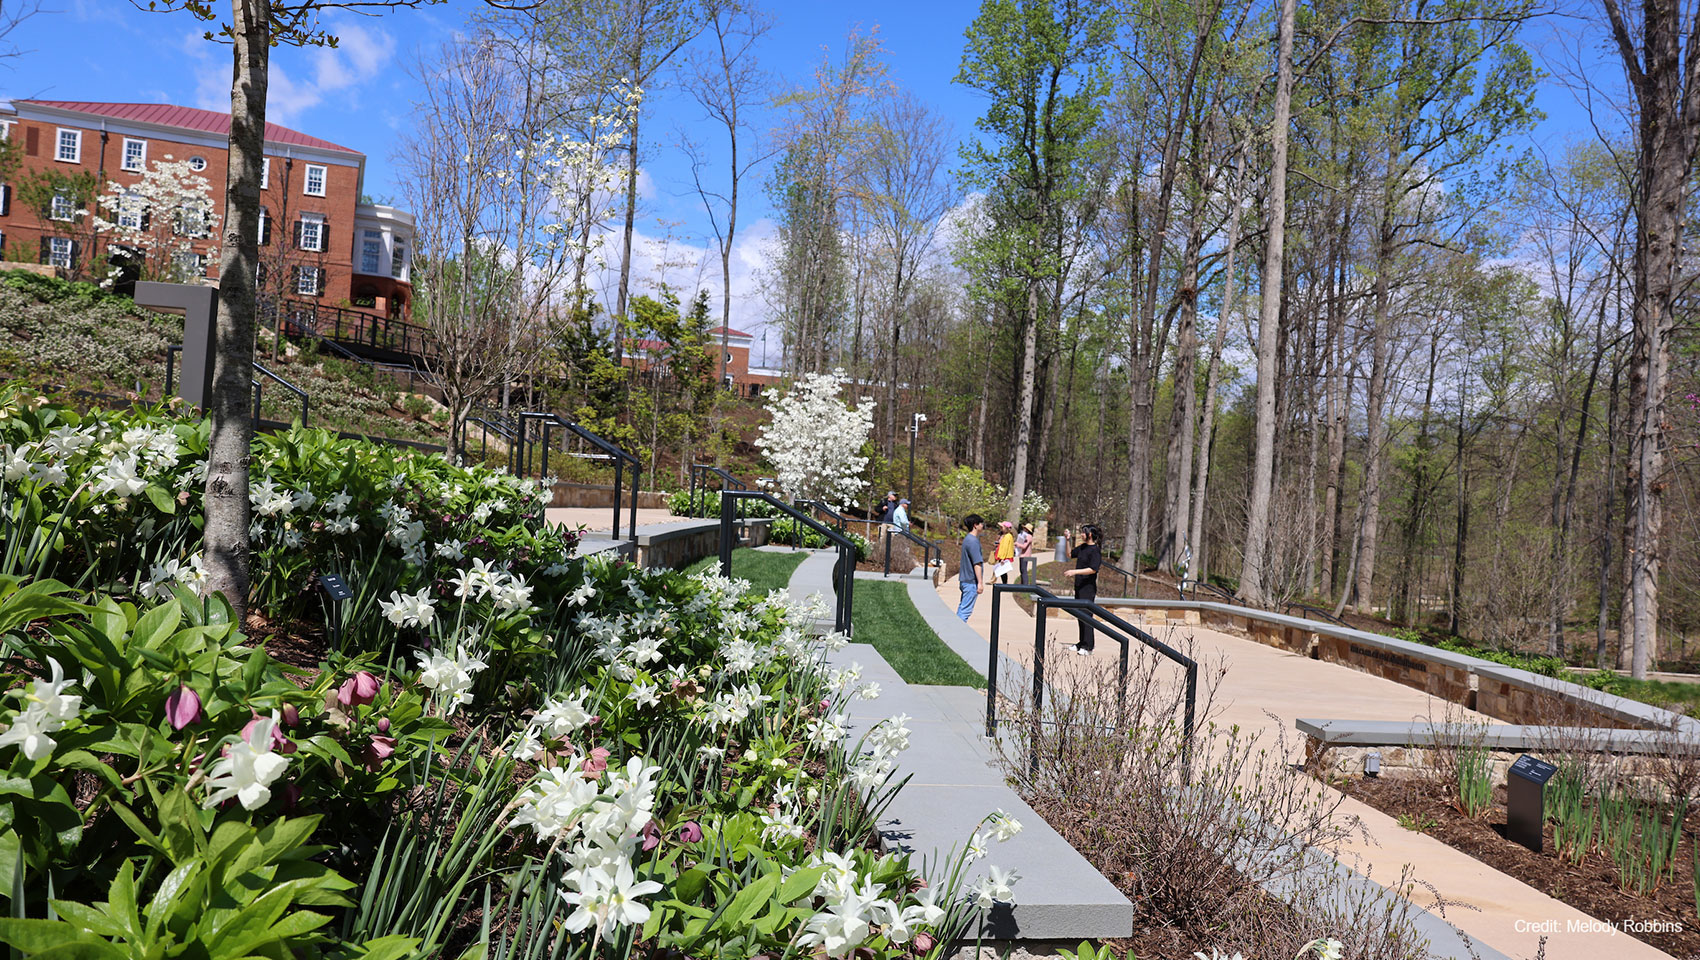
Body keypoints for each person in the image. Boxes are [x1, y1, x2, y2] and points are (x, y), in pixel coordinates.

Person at [1061, 524, 1102, 654]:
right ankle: (1082, 643)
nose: (1081, 535)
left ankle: (1089, 646)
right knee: (1080, 615)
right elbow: (1069, 554)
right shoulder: (1083, 548)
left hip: (1088, 588)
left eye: (1083, 533)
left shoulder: (1095, 550)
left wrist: (1075, 572)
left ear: (1090, 534)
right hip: (1079, 586)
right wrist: (1067, 540)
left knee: (1087, 616)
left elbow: (1093, 569)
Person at [957, 514, 986, 621]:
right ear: (975, 525)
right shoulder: (973, 541)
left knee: (962, 608)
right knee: (965, 611)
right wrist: (980, 583)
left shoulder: (968, 539)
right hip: (970, 581)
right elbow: (977, 563)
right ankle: (955, 634)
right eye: (981, 523)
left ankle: (954, 631)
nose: (983, 526)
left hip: (965, 580)